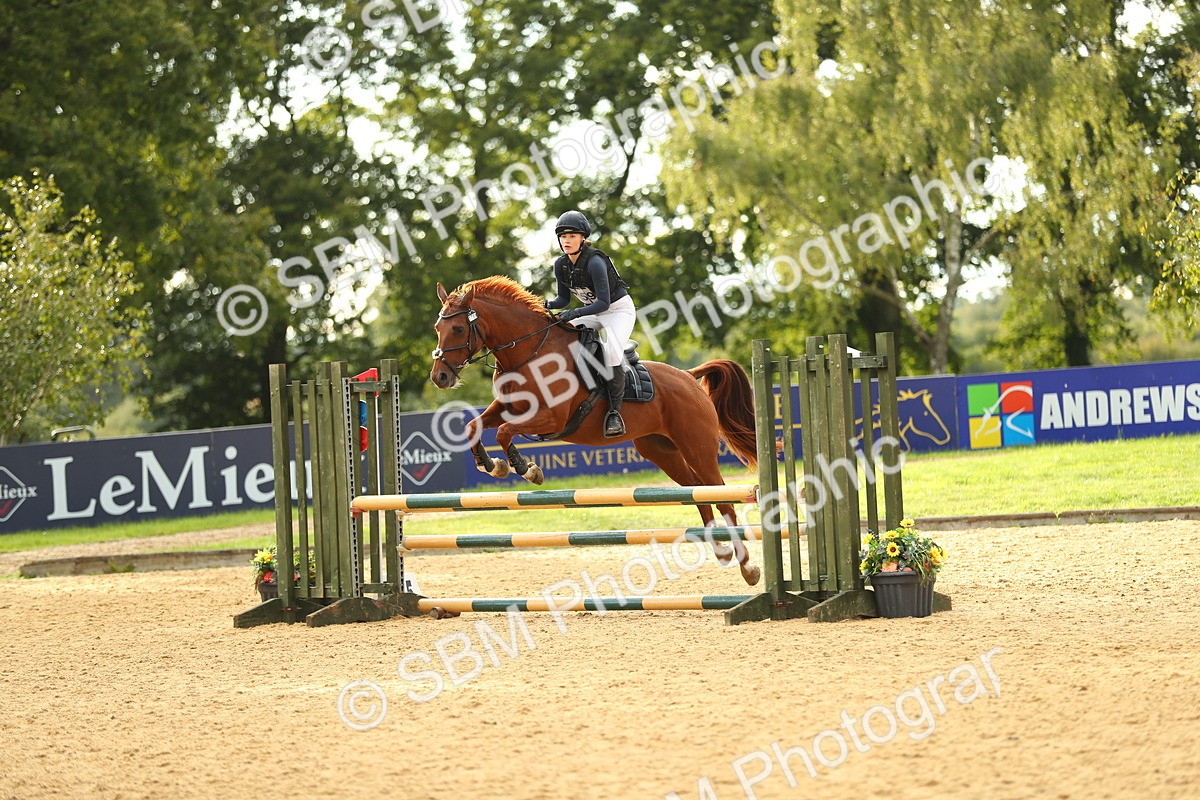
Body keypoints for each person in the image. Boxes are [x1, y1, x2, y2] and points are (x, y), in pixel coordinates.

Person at [545, 210, 636, 438]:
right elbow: (563, 300)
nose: (567, 240)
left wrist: (573, 312)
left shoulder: (595, 262)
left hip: (618, 310)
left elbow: (604, 303)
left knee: (613, 353)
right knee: (563, 333)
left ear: (583, 238)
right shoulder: (561, 265)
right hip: (593, 312)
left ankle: (615, 413)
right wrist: (542, 304)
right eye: (563, 236)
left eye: (572, 236)